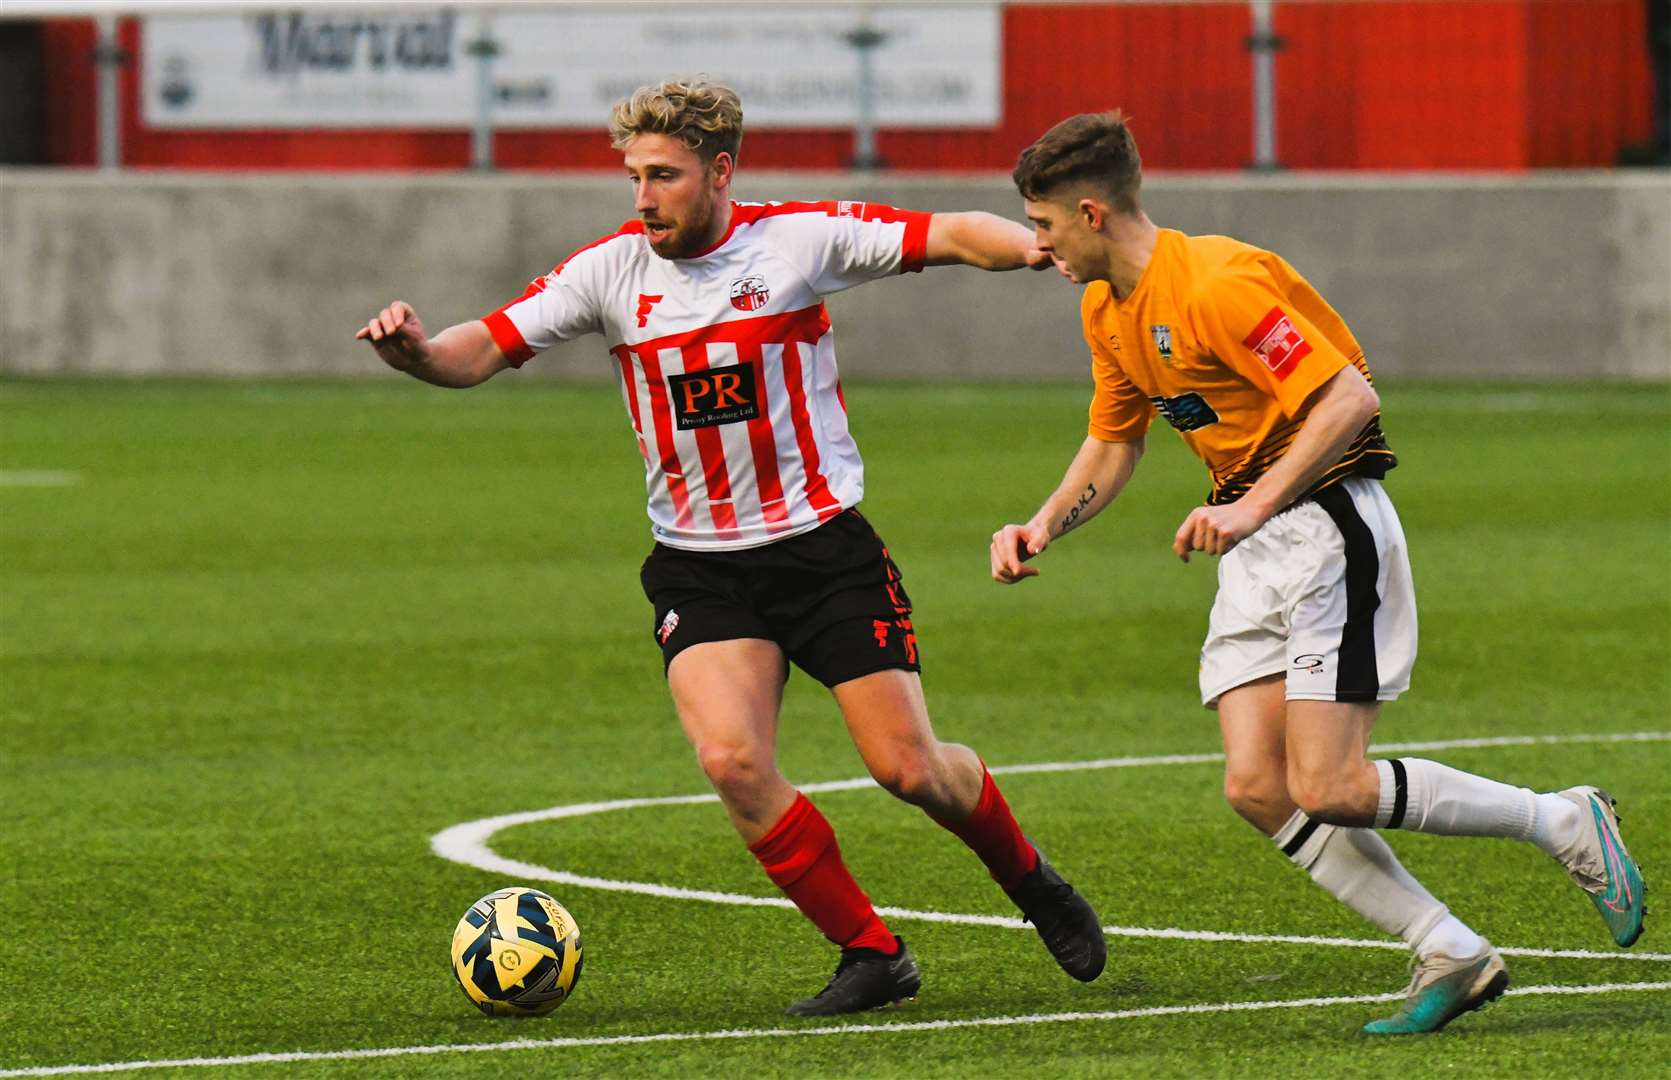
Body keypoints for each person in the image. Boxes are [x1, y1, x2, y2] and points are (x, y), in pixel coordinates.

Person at [357, 78, 1106, 1017]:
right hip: (701, 567)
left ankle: (1032, 882)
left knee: (909, 770)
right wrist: (419, 353)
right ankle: (871, 953)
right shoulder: (608, 273)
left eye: (662, 176)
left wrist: (1030, 246)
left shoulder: (794, 242)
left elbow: (948, 233)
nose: (642, 197)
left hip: (822, 552)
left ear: (719, 172)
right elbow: (484, 346)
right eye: (634, 176)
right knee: (730, 762)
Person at [988, 110, 1647, 1035]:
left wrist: (1252, 505)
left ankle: (1563, 820)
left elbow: (1348, 396)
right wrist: (1044, 523)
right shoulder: (1105, 307)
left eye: (1043, 225)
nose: (1037, 245)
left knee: (1329, 785)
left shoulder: (1216, 283)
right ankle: (1449, 948)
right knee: (1257, 786)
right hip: (1255, 544)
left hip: (1328, 528)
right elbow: (1113, 440)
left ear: (1089, 213)